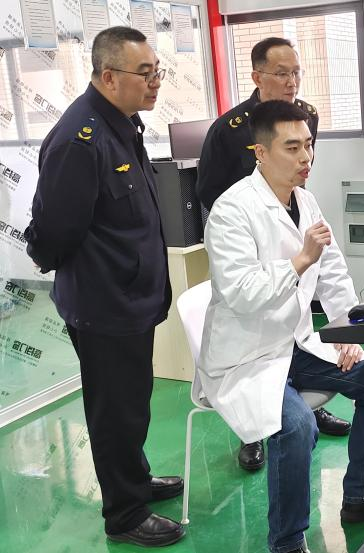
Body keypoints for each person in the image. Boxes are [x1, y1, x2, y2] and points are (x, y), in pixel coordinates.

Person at [199, 100, 364, 553]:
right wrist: (299, 260)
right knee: (296, 427)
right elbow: (242, 294)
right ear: (260, 152)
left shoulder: (304, 200)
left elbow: (333, 272)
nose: (306, 157)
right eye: (292, 148)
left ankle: (363, 492)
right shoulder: (232, 211)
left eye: (308, 145)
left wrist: (347, 332)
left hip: (295, 346)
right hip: (247, 356)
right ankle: (287, 542)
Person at [24, 27, 185, 548]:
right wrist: (56, 264)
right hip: (104, 304)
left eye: (158, 71)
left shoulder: (122, 124)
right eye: (146, 74)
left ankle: (134, 480)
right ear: (109, 76)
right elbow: (54, 229)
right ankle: (124, 512)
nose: (156, 82)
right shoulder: (80, 139)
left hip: (131, 298)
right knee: (114, 411)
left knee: (132, 402)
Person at [197, 36, 350, 473]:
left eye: (296, 72)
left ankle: (310, 408)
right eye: (281, 73)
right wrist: (249, 227)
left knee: (301, 335)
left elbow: (299, 183)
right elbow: (210, 191)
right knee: (264, 364)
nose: (291, 81)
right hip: (247, 237)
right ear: (257, 76)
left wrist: (347, 325)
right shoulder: (229, 130)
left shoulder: (306, 115)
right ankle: (253, 435)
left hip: (288, 223)